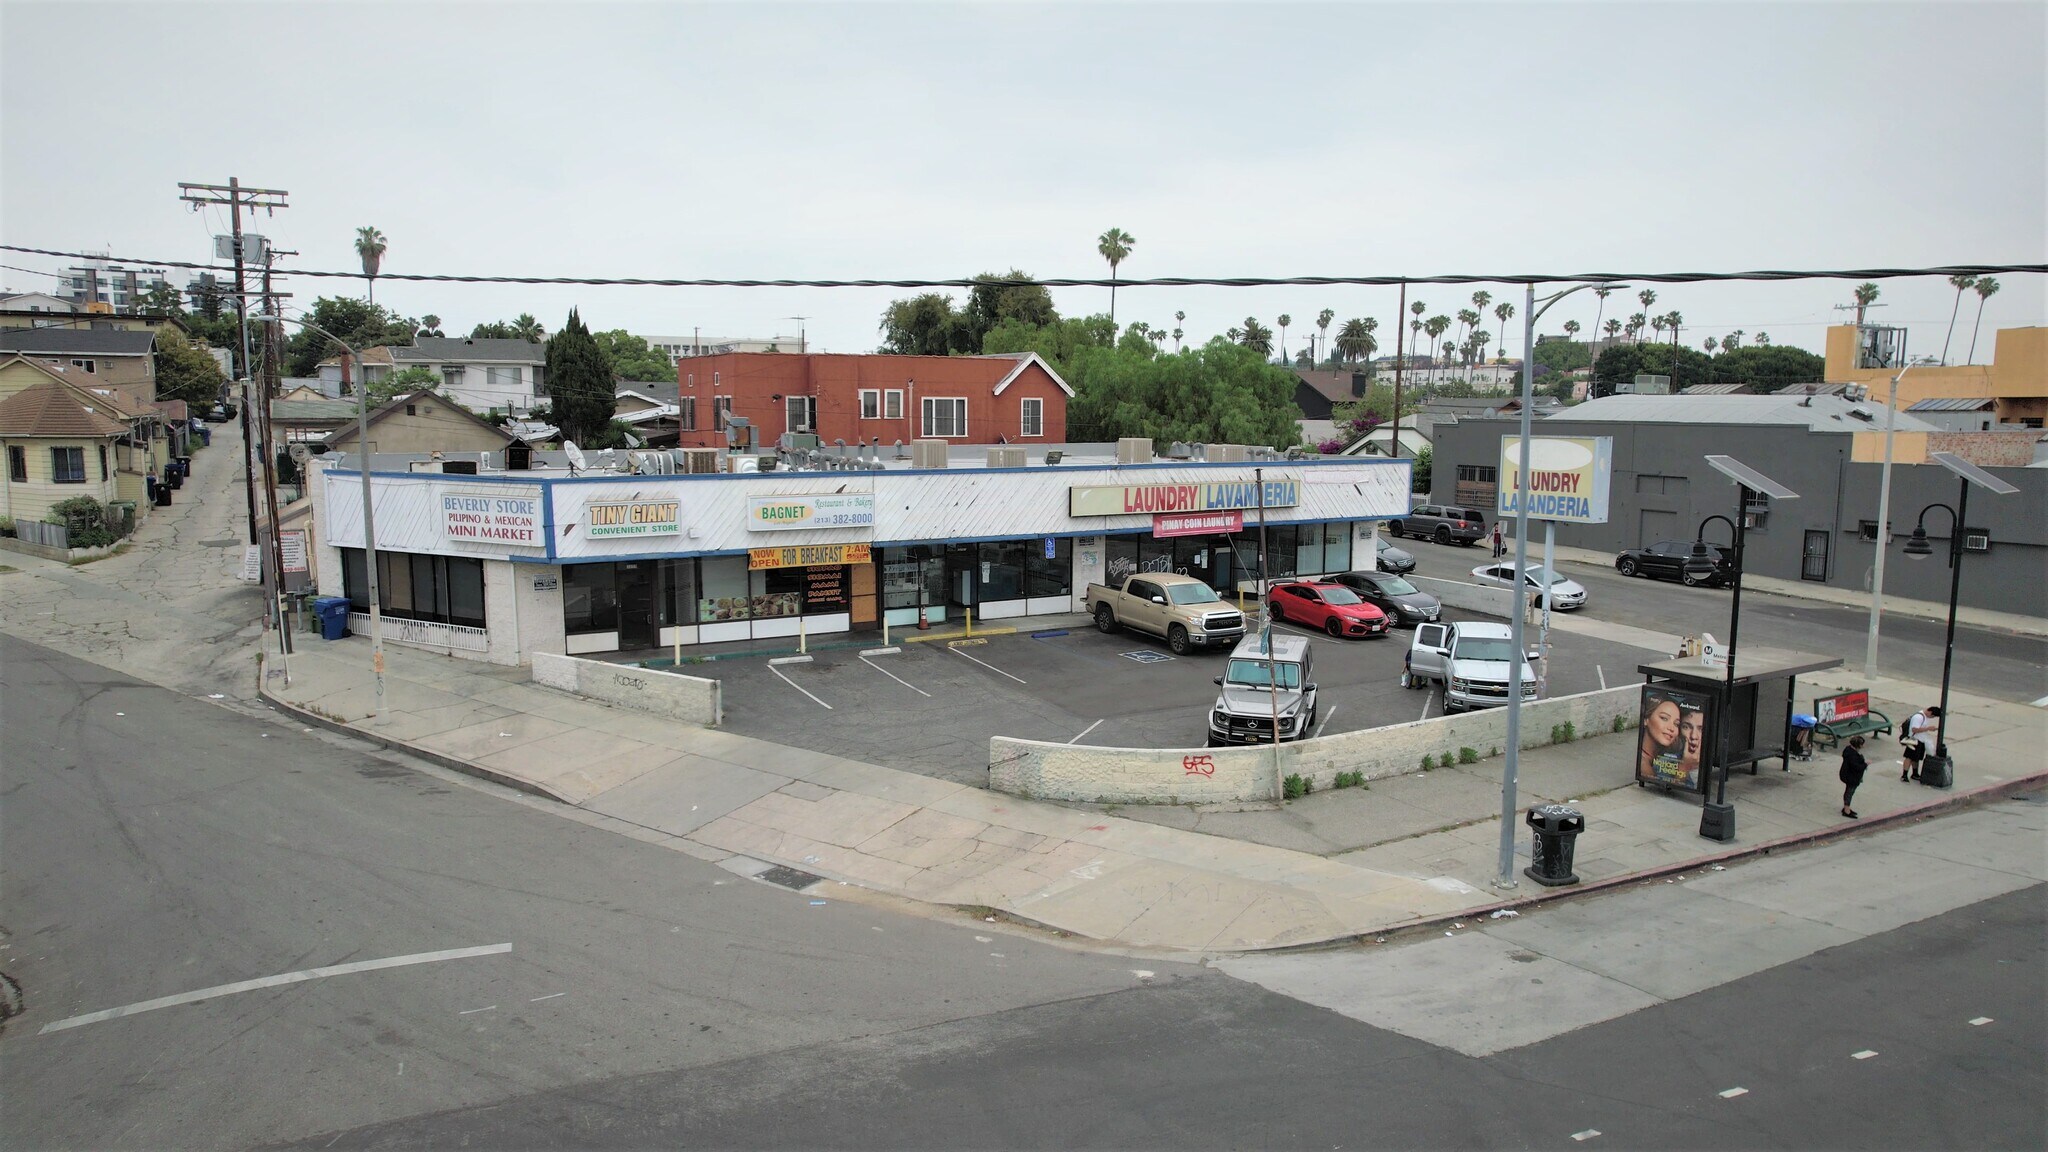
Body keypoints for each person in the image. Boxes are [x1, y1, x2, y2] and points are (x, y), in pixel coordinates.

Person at [1638, 696, 1684, 782]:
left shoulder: (1667, 757)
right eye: (1664, 718)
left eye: (1676, 724)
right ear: (1646, 719)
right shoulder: (1643, 765)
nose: (1671, 728)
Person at [1899, 704, 1942, 781]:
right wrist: (1928, 728)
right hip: (1914, 740)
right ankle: (1904, 775)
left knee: (1916, 758)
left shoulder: (1925, 717)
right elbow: (1914, 729)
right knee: (1909, 757)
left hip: (1920, 740)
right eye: (1933, 716)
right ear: (1930, 712)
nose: (1932, 718)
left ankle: (1915, 773)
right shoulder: (1918, 717)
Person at [1839, 734, 1868, 818]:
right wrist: (1865, 764)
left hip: (1847, 774)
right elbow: (1857, 767)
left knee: (1849, 791)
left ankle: (1846, 807)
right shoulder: (1853, 756)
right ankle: (1846, 809)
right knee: (1850, 792)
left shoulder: (1848, 751)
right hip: (1851, 776)